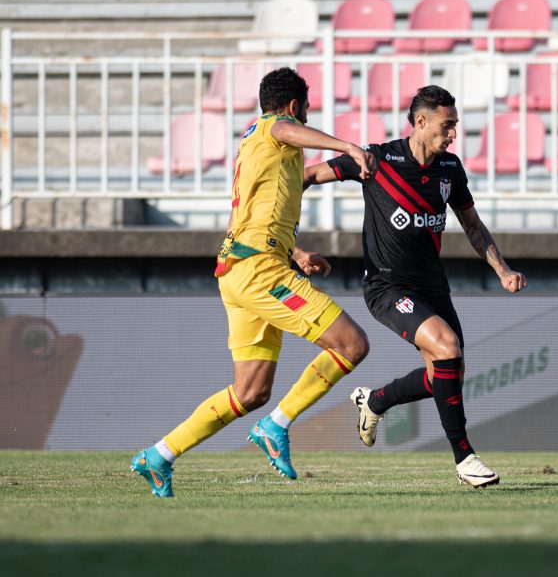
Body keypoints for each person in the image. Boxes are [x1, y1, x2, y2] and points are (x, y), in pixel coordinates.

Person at [131, 67, 376, 497]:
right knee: (351, 344)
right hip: (260, 272)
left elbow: (254, 212)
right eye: (306, 109)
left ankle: (159, 455)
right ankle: (276, 426)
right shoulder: (272, 128)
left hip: (240, 267)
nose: (306, 116)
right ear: (295, 106)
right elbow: (283, 127)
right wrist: (348, 146)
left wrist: (296, 253)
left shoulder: (263, 149)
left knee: (250, 391)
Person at [303, 85, 527, 488]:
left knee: (448, 372)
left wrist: (502, 270)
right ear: (420, 122)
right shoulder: (377, 160)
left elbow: (472, 225)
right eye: (447, 125)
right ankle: (465, 459)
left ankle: (375, 400)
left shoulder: (450, 169)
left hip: (432, 284)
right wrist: (289, 240)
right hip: (386, 286)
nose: (453, 134)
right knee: (448, 347)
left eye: (455, 125)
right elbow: (306, 177)